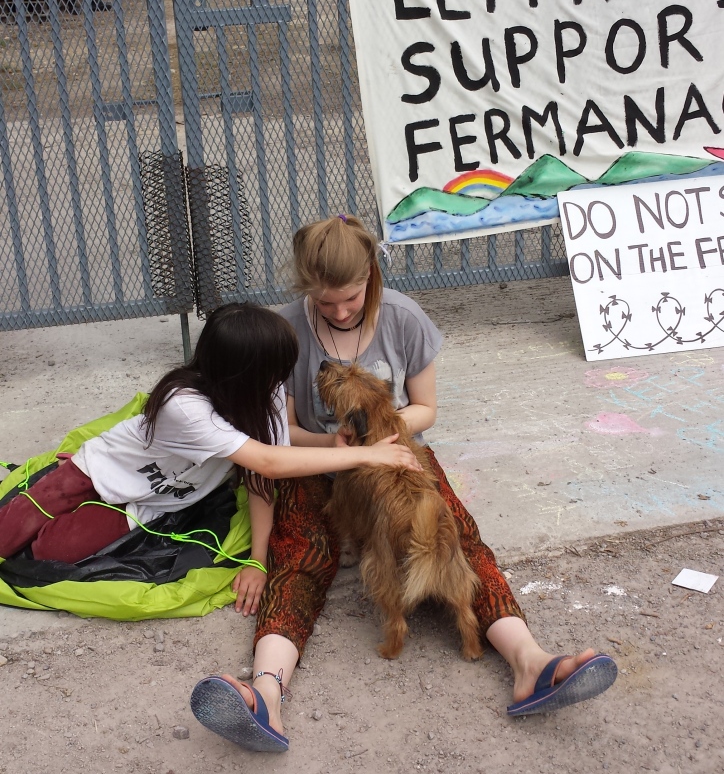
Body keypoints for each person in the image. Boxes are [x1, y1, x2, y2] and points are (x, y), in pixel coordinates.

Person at [190, 217, 617, 751]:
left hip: (394, 454)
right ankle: (264, 694)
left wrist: (381, 437)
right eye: (326, 305)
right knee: (301, 554)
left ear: (371, 273)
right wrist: (338, 448)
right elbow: (285, 430)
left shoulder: (403, 317)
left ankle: (530, 662)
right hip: (316, 461)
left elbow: (426, 409)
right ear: (305, 292)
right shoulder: (284, 331)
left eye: (350, 298)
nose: (341, 312)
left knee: (452, 536)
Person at [0, 302, 420, 580]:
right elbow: (270, 463)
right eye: (278, 369)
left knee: (48, 554)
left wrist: (257, 558)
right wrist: (369, 455)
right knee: (7, 535)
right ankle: (53, 480)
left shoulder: (266, 393)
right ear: (244, 372)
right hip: (96, 471)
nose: (286, 379)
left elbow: (264, 473)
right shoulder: (183, 405)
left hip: (148, 502)